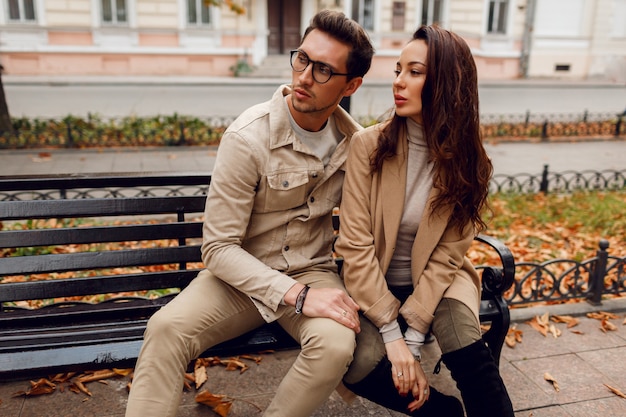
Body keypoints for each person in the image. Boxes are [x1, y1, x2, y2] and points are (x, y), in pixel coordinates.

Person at [125, 10, 373, 417]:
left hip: (311, 269)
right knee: (166, 329)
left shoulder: (356, 144)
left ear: (352, 84)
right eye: (302, 59)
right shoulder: (248, 137)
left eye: (324, 70)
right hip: (241, 276)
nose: (305, 76)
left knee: (335, 343)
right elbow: (219, 248)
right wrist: (297, 295)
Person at [336, 25, 515, 417]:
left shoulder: (469, 162)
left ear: (448, 84)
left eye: (414, 72)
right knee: (359, 363)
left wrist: (413, 340)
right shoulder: (368, 147)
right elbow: (354, 246)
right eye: (398, 70)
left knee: (467, 347)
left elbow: (448, 256)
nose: (398, 81)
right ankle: (445, 413)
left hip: (436, 282)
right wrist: (392, 337)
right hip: (373, 285)